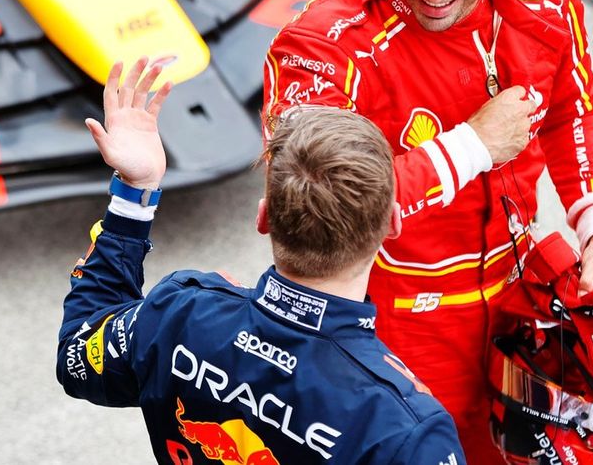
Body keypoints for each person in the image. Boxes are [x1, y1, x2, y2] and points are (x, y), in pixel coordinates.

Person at [262, 0, 593, 464]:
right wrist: (471, 147)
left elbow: (574, 110)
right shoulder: (323, 45)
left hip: (527, 305)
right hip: (395, 326)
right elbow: (305, 207)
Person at [57, 57, 466, 465]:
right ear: (393, 222)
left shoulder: (179, 314)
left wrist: (136, 191)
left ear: (263, 216)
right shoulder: (407, 430)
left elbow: (76, 354)